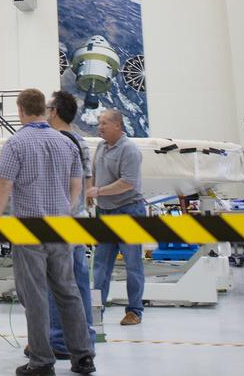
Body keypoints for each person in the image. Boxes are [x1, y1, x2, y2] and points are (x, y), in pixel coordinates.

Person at [0, 88, 95, 376]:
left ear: (21, 110)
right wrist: (68, 208)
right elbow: (78, 182)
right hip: (60, 227)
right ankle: (83, 356)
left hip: (29, 228)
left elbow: (4, 184)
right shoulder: (67, 143)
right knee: (68, 291)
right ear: (44, 110)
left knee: (36, 295)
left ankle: (41, 361)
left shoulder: (16, 143)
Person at [46, 91, 96, 359]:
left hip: (59, 222)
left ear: (54, 111)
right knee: (79, 284)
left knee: (57, 284)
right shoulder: (81, 142)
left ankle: (60, 341)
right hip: (78, 221)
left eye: (47, 107)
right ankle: (85, 339)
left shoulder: (53, 142)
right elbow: (87, 184)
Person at [88, 109, 145, 327]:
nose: (99, 127)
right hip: (105, 212)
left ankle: (134, 311)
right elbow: (93, 172)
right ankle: (96, 310)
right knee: (101, 265)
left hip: (128, 210)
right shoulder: (101, 147)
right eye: (99, 123)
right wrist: (91, 192)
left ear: (117, 126)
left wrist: (98, 191)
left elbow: (128, 182)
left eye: (103, 123)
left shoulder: (129, 149)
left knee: (132, 263)